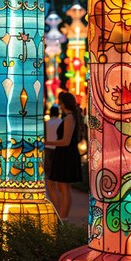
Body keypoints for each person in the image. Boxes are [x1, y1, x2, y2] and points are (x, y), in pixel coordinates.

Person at [46, 91, 83, 220]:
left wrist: (46, 142)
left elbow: (65, 141)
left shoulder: (69, 118)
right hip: (63, 153)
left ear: (64, 103)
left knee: (63, 186)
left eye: (61, 102)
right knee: (58, 185)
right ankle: (60, 212)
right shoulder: (69, 117)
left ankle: (63, 216)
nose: (59, 105)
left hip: (66, 154)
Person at [44, 104, 63, 209]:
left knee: (49, 177)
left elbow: (45, 136)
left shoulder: (47, 123)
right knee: (57, 177)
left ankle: (54, 203)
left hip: (48, 149)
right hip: (58, 149)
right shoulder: (61, 122)